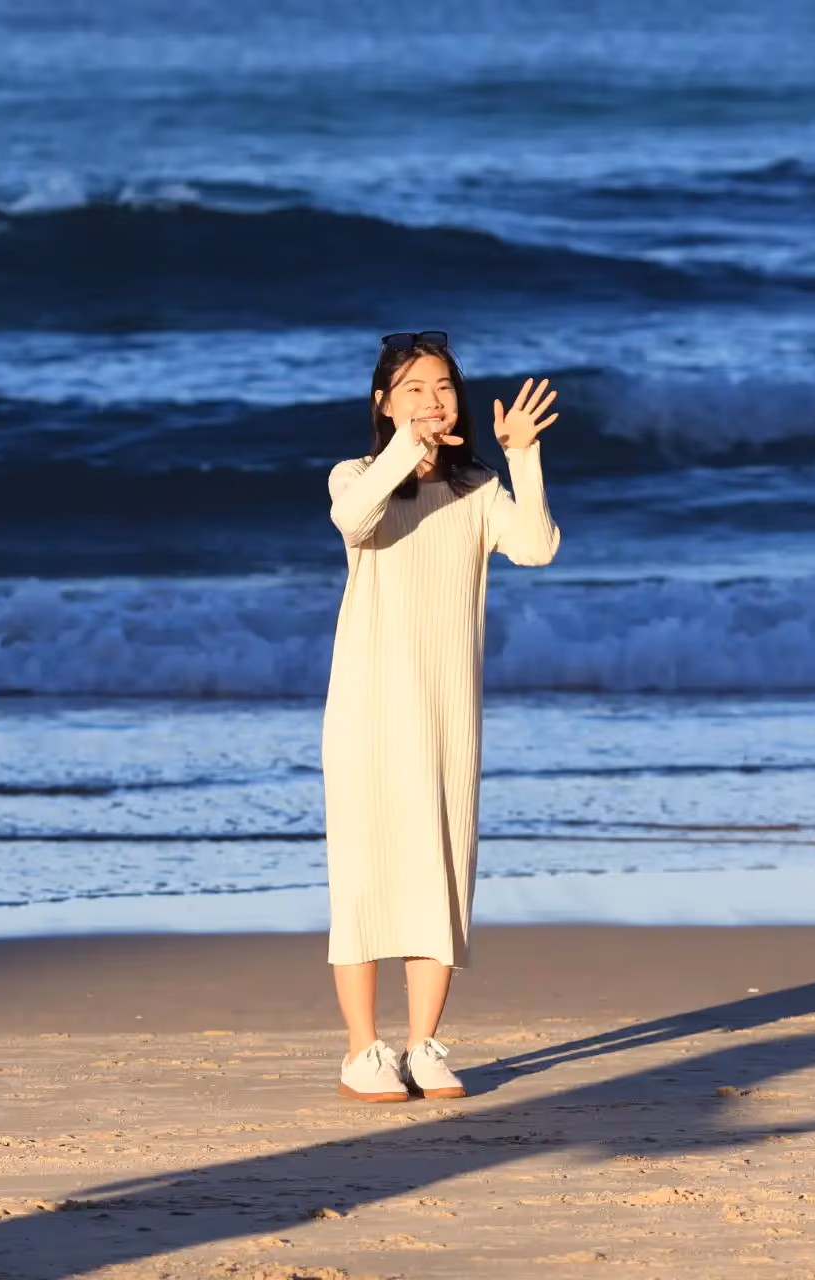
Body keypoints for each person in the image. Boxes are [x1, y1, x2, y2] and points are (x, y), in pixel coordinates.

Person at [323, 331, 560, 1104]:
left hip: (448, 708)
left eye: (444, 387)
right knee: (363, 873)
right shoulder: (357, 475)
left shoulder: (478, 489)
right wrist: (406, 448)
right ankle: (364, 1051)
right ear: (384, 403)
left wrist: (521, 455)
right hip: (366, 705)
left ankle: (423, 1046)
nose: (433, 399)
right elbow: (355, 521)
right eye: (415, 387)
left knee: (442, 868)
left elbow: (537, 547)